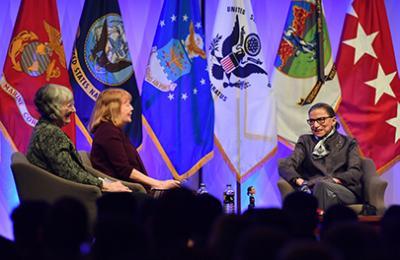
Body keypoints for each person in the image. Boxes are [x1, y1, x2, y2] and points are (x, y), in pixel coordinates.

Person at [27, 84, 130, 192]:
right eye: (69, 105)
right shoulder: (50, 134)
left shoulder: (44, 128)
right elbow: (68, 173)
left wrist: (104, 183)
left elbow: (73, 170)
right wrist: (105, 185)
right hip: (68, 195)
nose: (74, 110)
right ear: (54, 108)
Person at [88, 88, 180, 190]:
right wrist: (159, 184)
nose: (132, 108)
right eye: (127, 105)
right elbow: (124, 170)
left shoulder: (114, 131)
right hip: (123, 194)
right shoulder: (107, 132)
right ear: (114, 108)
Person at [279, 102, 362, 211]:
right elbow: (286, 164)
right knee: (318, 190)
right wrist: (301, 182)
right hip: (312, 189)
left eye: (321, 120)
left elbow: (355, 172)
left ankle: (314, 225)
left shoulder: (349, 142)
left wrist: (331, 181)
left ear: (333, 121)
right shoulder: (306, 141)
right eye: (312, 121)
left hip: (343, 190)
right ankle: (325, 224)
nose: (316, 125)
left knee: (322, 186)